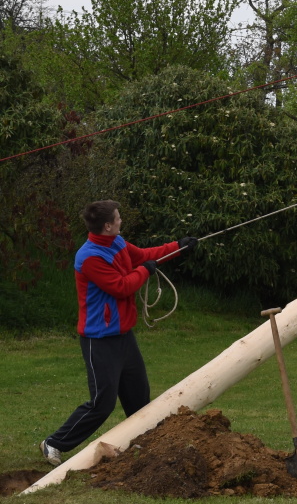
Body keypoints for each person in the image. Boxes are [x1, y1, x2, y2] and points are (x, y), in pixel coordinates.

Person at [41, 200, 195, 466]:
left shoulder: (117, 242)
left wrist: (178, 247)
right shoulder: (90, 257)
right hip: (99, 339)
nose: (121, 220)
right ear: (107, 225)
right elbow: (121, 286)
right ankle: (54, 443)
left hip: (124, 335)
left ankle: (147, 447)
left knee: (139, 397)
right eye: (118, 218)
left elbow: (144, 255)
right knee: (102, 403)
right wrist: (144, 271)